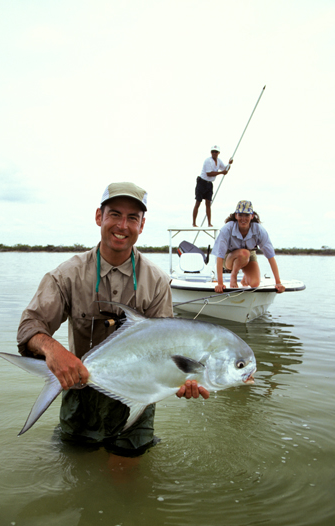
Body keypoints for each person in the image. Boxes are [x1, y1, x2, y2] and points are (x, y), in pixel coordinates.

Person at [17, 182, 209, 455]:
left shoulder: (156, 281)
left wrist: (182, 380)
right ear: (99, 217)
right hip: (80, 393)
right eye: (115, 214)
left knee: (126, 479)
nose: (122, 225)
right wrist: (53, 350)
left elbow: (170, 348)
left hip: (139, 398)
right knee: (77, 475)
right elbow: (30, 326)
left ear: (142, 225)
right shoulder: (67, 274)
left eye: (133, 218)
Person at [211, 200, 285, 293]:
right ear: (236, 216)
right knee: (244, 253)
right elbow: (219, 256)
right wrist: (220, 284)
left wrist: (278, 282)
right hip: (229, 258)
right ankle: (233, 275)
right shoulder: (227, 229)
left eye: (247, 215)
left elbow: (270, 257)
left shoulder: (259, 230)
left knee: (255, 283)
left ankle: (245, 278)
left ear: (252, 216)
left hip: (249, 255)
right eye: (240, 215)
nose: (243, 218)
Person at [193, 145, 233, 227]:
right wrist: (221, 173)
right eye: (213, 152)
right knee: (198, 202)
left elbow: (225, 169)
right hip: (202, 182)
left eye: (216, 152)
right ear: (211, 152)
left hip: (209, 184)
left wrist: (229, 164)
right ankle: (194, 223)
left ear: (218, 153)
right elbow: (209, 173)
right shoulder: (208, 161)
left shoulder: (219, 161)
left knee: (208, 203)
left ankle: (209, 223)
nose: (214, 153)